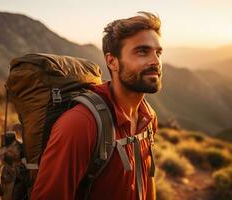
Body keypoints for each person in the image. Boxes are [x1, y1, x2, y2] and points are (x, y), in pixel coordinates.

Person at [31, 11, 163, 200]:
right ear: (112, 61)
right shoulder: (80, 124)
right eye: (142, 51)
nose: (155, 61)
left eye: (158, 52)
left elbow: (147, 182)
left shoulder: (147, 116)